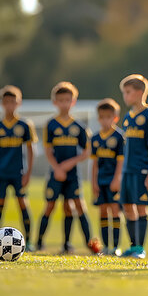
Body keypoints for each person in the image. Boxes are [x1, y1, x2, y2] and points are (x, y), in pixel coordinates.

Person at [37, 81, 101, 255]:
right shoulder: (50, 125)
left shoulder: (79, 127)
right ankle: (38, 242)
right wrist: (57, 168)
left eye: (68, 100)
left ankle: (87, 245)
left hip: (72, 175)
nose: (64, 103)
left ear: (73, 101)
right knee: (50, 205)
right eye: (61, 100)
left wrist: (68, 164)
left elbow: (87, 151)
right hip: (55, 173)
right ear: (55, 102)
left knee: (76, 206)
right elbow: (48, 150)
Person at [119, 74, 148, 258]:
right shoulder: (128, 117)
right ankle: (133, 246)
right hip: (127, 170)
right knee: (128, 206)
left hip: (142, 170)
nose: (125, 96)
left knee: (141, 207)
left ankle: (140, 249)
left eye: (127, 92)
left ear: (139, 93)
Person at [0, 86, 37, 251]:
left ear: (19, 103)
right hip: (1, 173)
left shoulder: (25, 125)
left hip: (18, 173)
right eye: (6, 102)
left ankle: (29, 241)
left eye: (13, 102)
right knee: (0, 204)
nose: (9, 105)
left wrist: (28, 172)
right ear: (1, 103)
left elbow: (30, 151)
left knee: (22, 203)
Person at [90, 98, 125, 256]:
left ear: (115, 118)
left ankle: (115, 247)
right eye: (102, 117)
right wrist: (93, 183)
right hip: (100, 181)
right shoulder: (95, 138)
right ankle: (105, 246)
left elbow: (120, 161)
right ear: (98, 118)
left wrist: (117, 179)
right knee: (103, 211)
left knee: (115, 210)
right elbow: (95, 163)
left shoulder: (119, 137)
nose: (105, 120)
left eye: (108, 117)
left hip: (113, 180)